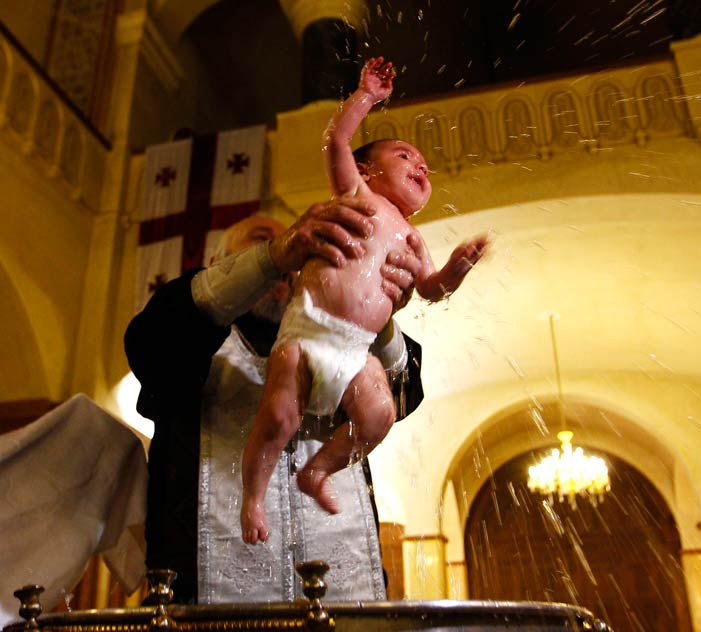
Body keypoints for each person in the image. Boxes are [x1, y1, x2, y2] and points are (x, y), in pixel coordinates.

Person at [124, 198, 425, 604]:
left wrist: (379, 308)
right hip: (207, 602)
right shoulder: (185, 329)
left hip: (342, 596)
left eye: (300, 253)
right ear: (218, 263)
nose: (295, 255)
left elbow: (402, 394)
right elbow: (151, 346)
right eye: (263, 240)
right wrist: (273, 256)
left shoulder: (334, 340)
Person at [240, 57, 490, 543]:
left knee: (379, 414)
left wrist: (457, 268)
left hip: (357, 348)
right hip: (309, 329)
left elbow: (430, 288)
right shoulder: (354, 194)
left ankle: (319, 470)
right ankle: (253, 496)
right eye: (404, 156)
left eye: (424, 165)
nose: (420, 165)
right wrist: (367, 96)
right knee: (280, 416)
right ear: (364, 170)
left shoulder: (413, 238)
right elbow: (336, 138)